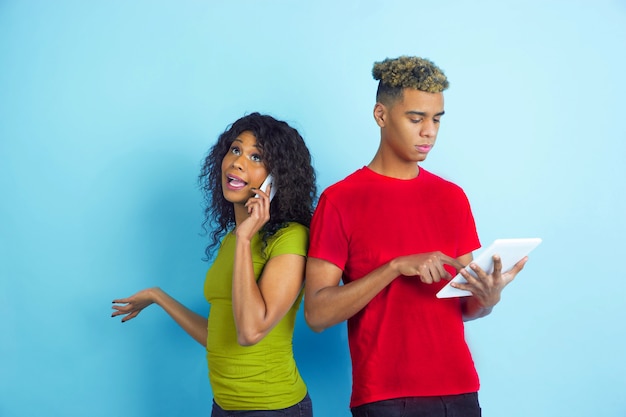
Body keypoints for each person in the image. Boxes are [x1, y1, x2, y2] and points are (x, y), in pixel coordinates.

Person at [303, 56, 528, 416]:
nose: (430, 131)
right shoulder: (340, 199)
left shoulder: (452, 198)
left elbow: (465, 307)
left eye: (436, 119)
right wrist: (393, 268)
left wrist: (488, 297)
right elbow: (316, 313)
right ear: (381, 115)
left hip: (460, 392)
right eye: (416, 118)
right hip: (386, 397)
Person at [112, 112, 316, 417]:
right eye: (235, 150)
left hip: (273, 407)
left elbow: (249, 332)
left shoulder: (290, 238)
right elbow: (219, 335)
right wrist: (158, 296)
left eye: (256, 157)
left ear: (277, 179)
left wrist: (247, 239)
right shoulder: (232, 240)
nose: (238, 162)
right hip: (223, 407)